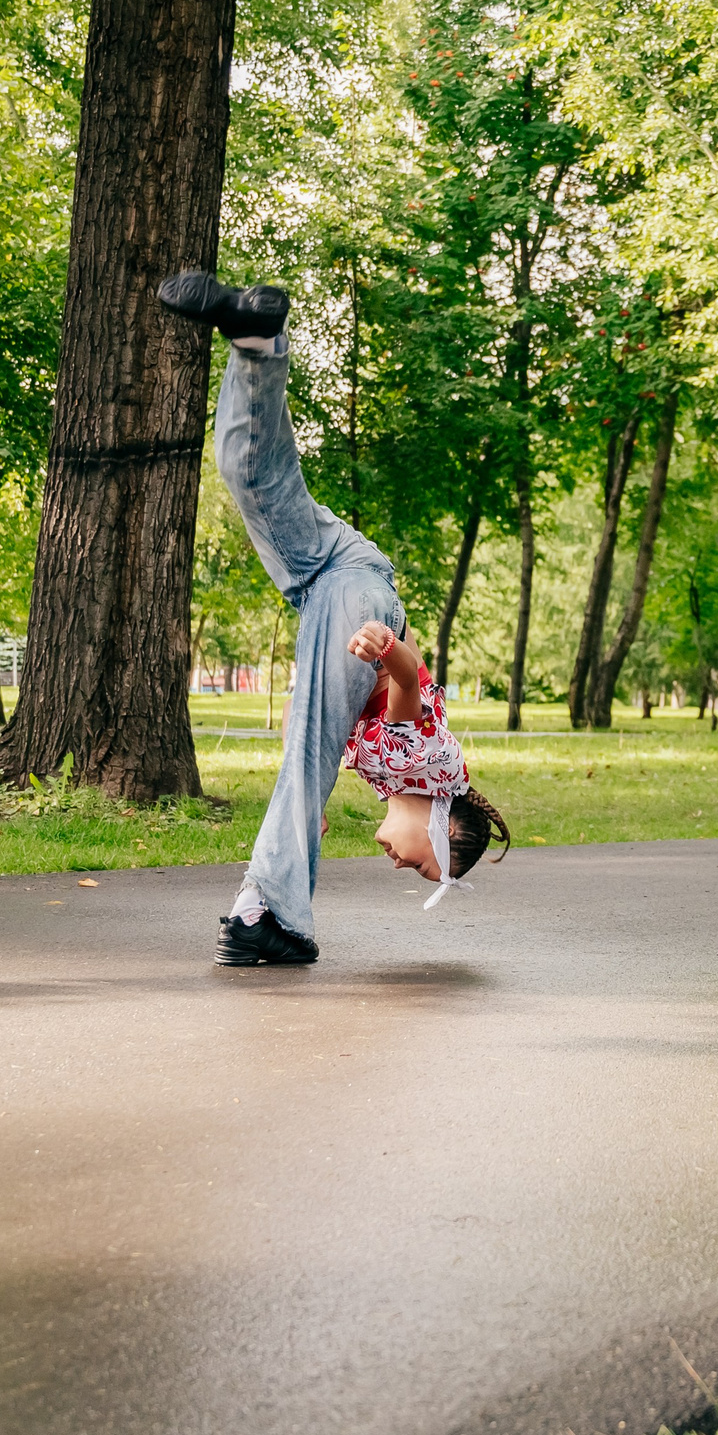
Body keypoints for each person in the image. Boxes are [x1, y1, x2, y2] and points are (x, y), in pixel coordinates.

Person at [159, 272, 509, 967]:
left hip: (336, 574)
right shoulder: (428, 767)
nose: (400, 865)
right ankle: (273, 914)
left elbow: (314, 724)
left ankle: (255, 340)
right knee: (309, 759)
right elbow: (407, 683)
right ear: (441, 829)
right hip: (361, 603)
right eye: (422, 865)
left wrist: (307, 793)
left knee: (249, 473)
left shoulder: (393, 773)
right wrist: (384, 648)